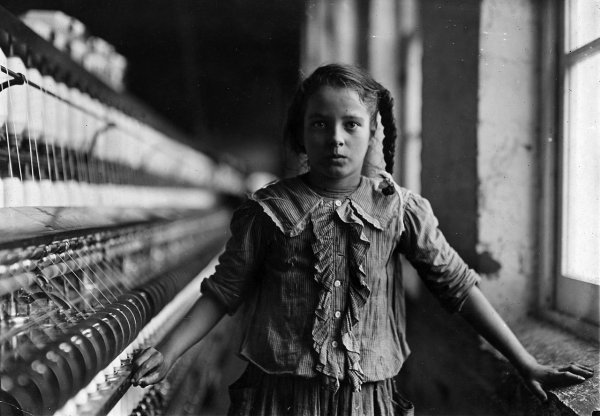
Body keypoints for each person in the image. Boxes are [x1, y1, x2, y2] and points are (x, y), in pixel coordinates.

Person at [131, 64, 593, 415]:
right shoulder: (266, 211)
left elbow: (458, 286)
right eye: (319, 124)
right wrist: (168, 352)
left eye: (351, 124)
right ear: (299, 132)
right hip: (281, 398)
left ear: (372, 132)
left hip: (366, 401)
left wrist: (525, 362)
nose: (335, 138)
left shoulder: (400, 209)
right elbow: (222, 292)